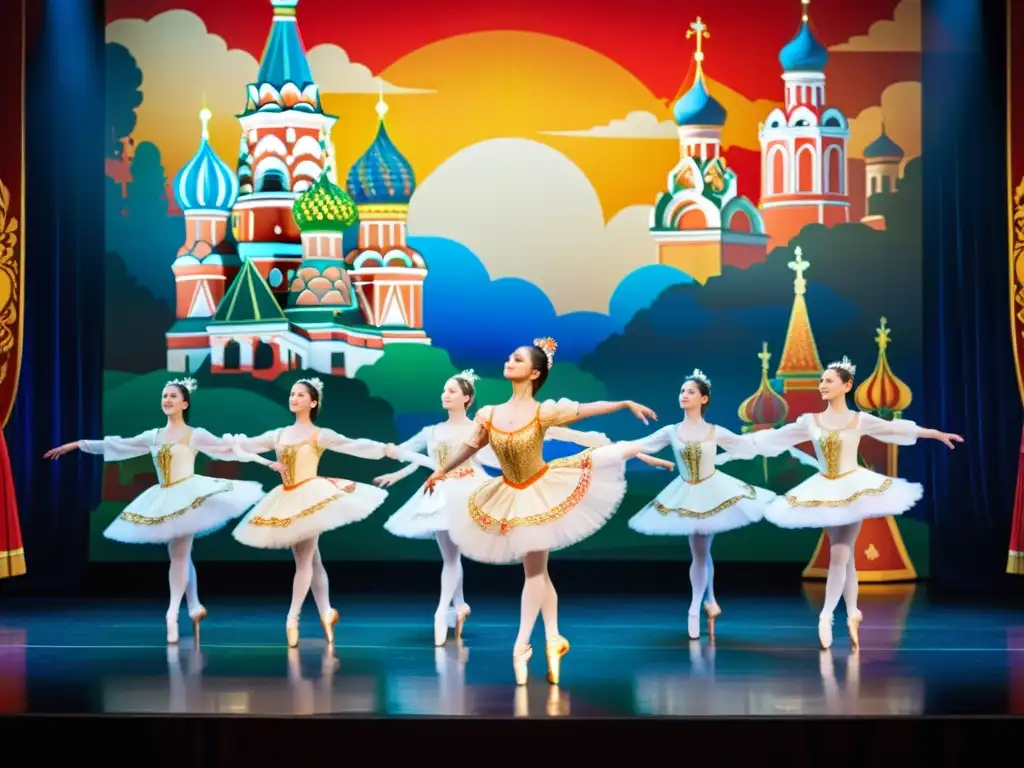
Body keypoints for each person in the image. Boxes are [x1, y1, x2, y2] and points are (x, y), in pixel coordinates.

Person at [422, 338, 657, 686]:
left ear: (533, 373)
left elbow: (587, 408)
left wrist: (623, 403)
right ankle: (553, 639)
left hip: (541, 492)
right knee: (539, 572)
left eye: (517, 359)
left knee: (533, 573)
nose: (509, 361)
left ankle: (521, 645)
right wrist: (441, 471)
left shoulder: (543, 411)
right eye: (509, 357)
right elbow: (469, 448)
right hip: (507, 494)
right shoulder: (488, 414)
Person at [734, 357, 963, 650]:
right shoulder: (809, 421)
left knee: (841, 553)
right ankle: (848, 613)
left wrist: (935, 434)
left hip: (854, 487)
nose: (822, 385)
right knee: (843, 555)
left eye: (829, 381)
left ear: (846, 385)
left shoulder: (860, 419)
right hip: (825, 489)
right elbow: (775, 438)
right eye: (821, 381)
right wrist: (736, 444)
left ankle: (830, 614)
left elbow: (897, 430)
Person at [375, 369, 612, 647]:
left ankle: (444, 611)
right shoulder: (431, 431)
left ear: (467, 398)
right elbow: (416, 457)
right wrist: (395, 471)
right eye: (444, 390)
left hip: (471, 493)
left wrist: (584, 441)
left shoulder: (480, 428)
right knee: (450, 558)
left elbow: (524, 440)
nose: (445, 394)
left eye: (452, 391)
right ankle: (457, 607)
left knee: (456, 556)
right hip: (440, 494)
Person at [43, 378, 268, 645]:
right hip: (164, 495)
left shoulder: (195, 434)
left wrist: (262, 453)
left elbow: (227, 449)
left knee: (181, 553)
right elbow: (118, 445)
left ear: (185, 403)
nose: (167, 400)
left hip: (189, 495)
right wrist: (78, 444)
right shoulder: (153, 436)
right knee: (180, 553)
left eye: (173, 396)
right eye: (164, 396)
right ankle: (194, 605)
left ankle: (172, 613)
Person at [227, 377, 431, 648]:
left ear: (313, 402)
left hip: (311, 498)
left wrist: (386, 450)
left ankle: (293, 618)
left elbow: (355, 445)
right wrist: (227, 443)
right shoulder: (277, 434)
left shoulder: (319, 434)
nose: (294, 398)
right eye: (292, 393)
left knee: (304, 560)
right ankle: (326, 613)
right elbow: (246, 446)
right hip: (286, 498)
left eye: (300, 394)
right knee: (313, 562)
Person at [623, 369, 776, 640]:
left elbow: (745, 447)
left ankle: (696, 606)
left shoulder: (715, 431)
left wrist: (768, 443)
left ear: (704, 399)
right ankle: (708, 600)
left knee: (702, 551)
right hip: (685, 493)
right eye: (682, 391)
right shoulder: (671, 431)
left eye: (690, 391)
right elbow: (640, 446)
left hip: (714, 491)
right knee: (700, 552)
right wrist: (607, 448)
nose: (684, 395)